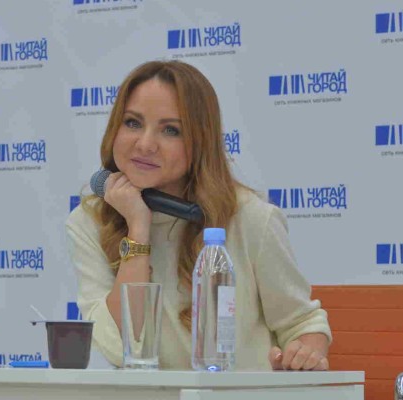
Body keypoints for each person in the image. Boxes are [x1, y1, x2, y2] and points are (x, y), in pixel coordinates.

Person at [66, 60, 332, 371]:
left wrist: (306, 353)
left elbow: (302, 324)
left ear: (200, 141)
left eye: (171, 130)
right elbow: (121, 346)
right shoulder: (88, 222)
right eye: (133, 123)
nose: (145, 144)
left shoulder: (250, 218)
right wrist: (138, 227)